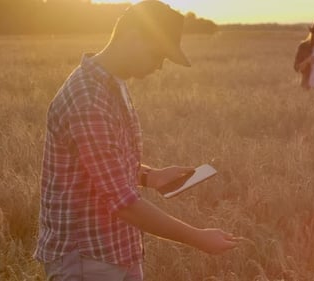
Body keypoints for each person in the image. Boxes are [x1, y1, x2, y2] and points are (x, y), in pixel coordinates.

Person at [33, 1, 238, 280]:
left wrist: (150, 177)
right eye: (157, 54)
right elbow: (123, 203)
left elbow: (105, 162)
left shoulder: (111, 84)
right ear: (132, 36)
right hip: (87, 258)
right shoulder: (89, 99)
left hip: (116, 249)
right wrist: (198, 238)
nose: (159, 66)